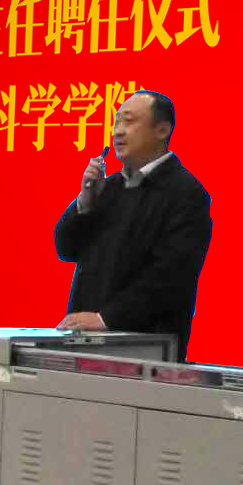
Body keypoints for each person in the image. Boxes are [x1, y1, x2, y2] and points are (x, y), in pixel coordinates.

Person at [54, 90, 212, 361]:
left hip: (144, 350)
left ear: (162, 130)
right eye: (116, 122)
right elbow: (66, 250)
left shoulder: (186, 193)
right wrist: (85, 202)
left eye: (128, 121)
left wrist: (106, 318)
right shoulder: (108, 187)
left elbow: (171, 276)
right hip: (85, 342)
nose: (117, 132)